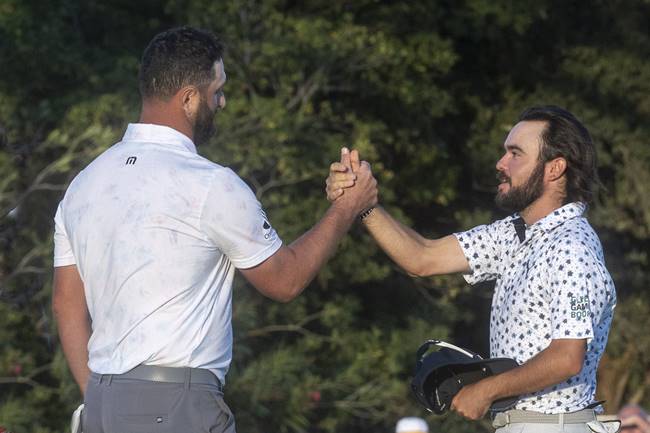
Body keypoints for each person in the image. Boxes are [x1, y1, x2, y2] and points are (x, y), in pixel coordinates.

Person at [52, 26, 377, 433]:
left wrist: (96, 397)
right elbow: (286, 280)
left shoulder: (83, 183)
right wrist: (348, 208)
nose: (221, 102)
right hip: (177, 405)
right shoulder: (210, 184)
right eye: (216, 90)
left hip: (100, 401)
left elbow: (66, 304)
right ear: (189, 98)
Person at [326, 106, 617, 432]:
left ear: (555, 169)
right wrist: (363, 204)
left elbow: (567, 357)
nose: (500, 163)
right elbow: (423, 257)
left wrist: (486, 390)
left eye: (515, 153)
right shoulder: (514, 233)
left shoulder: (571, 247)